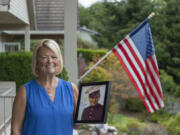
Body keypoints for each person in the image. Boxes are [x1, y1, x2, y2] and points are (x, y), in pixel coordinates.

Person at [11, 39, 79, 135]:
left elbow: (77, 125)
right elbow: (15, 129)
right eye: (44, 57)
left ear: (59, 61)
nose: (50, 61)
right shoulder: (25, 91)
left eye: (54, 57)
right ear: (37, 62)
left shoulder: (71, 89)